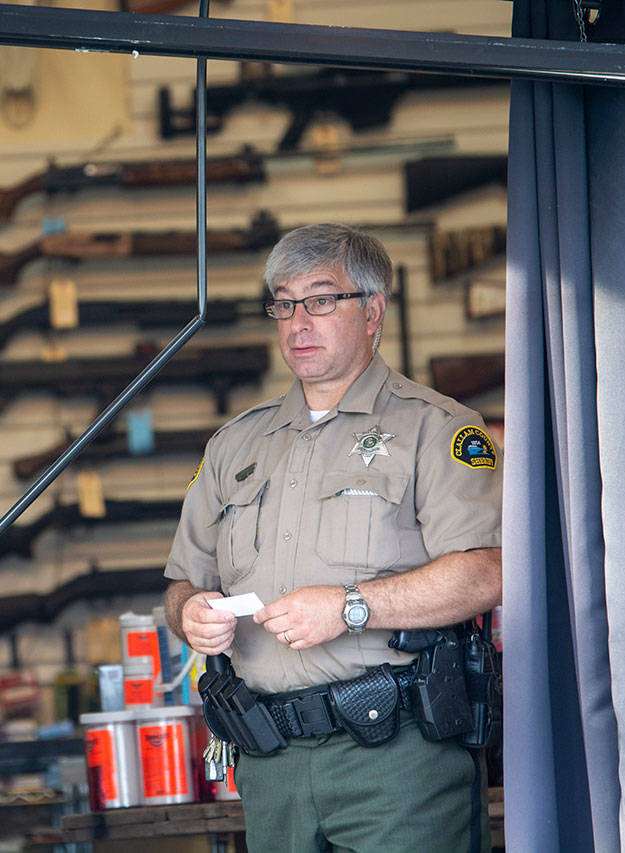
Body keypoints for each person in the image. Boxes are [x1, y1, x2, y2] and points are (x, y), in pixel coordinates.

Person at [163, 223, 502, 852]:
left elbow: (484, 574)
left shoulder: (437, 427)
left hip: (397, 761)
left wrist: (350, 607)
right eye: (285, 303)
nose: (298, 322)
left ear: (372, 312)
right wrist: (190, 614)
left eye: (321, 301)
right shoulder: (234, 444)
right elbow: (184, 582)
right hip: (270, 762)